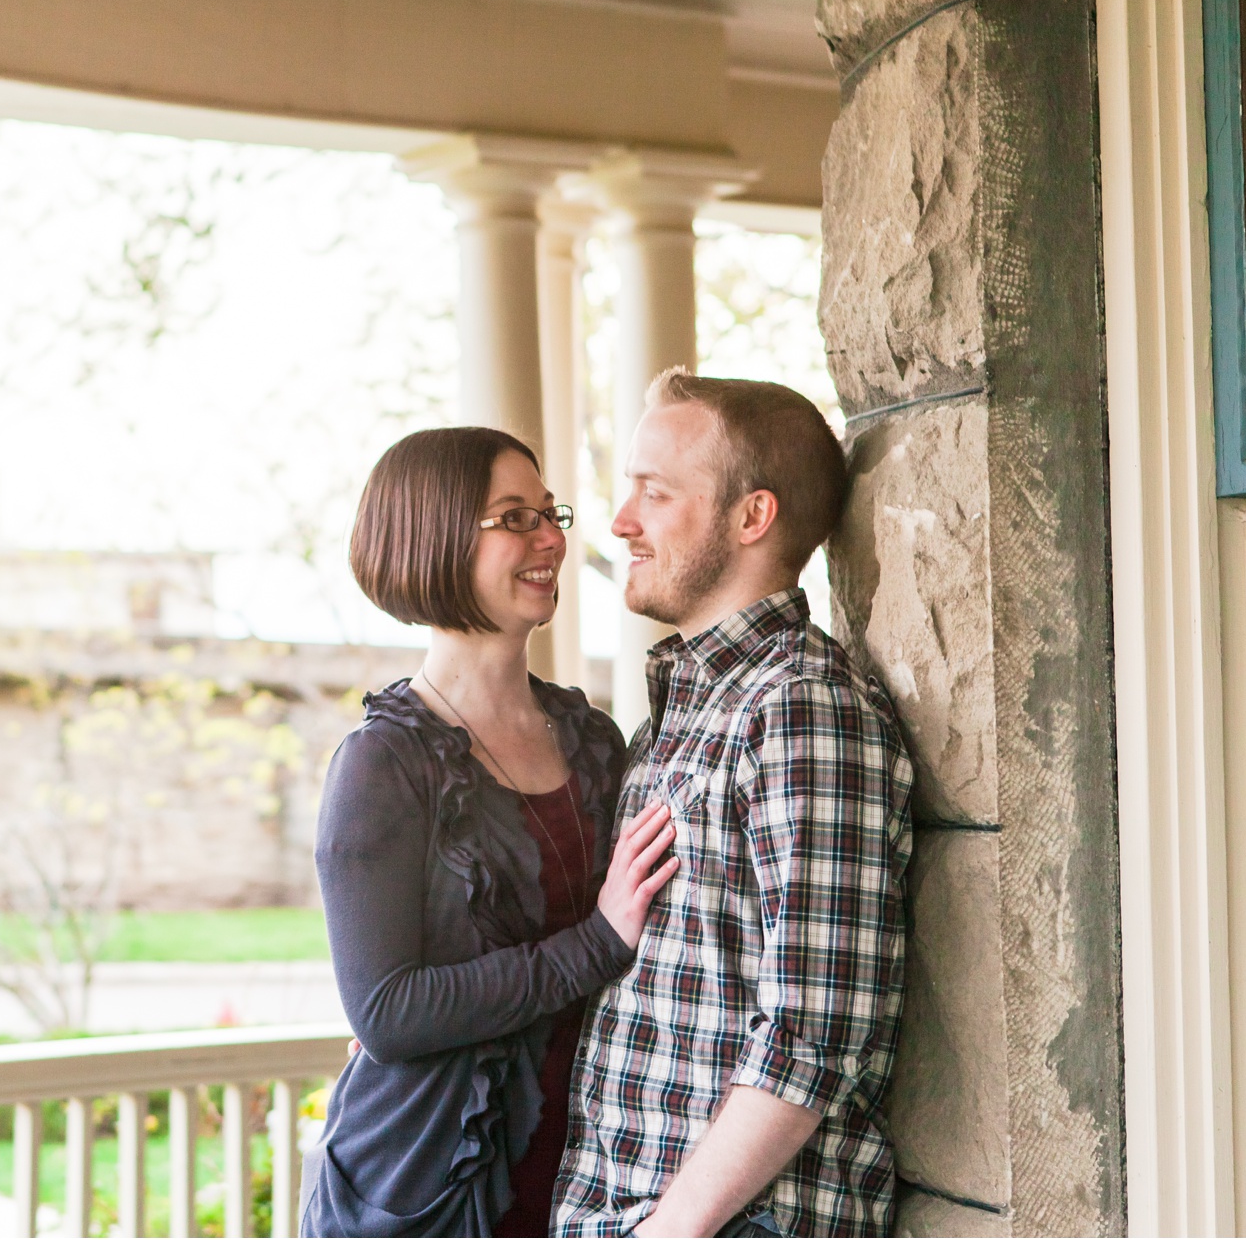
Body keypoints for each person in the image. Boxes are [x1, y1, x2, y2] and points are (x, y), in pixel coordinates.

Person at [553, 370, 915, 1238]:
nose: (620, 520)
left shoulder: (802, 708)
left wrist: (665, 1233)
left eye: (657, 491)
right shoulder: (682, 714)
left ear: (752, 517)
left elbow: (813, 1035)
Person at [301, 426, 680, 1237]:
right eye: (514, 518)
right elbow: (388, 1012)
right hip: (421, 1191)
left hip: (589, 1181)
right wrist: (597, 942)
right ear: (434, 537)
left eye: (551, 513)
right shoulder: (382, 764)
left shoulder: (591, 737)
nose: (552, 538)